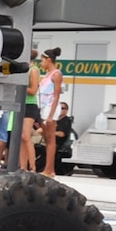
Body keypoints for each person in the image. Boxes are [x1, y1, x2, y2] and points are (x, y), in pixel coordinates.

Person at [34, 48, 64, 177]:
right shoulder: (48, 74)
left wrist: (51, 115)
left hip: (50, 108)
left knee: (51, 140)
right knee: (47, 139)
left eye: (42, 60)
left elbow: (56, 95)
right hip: (44, 107)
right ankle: (48, 168)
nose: (41, 63)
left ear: (48, 60)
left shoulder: (56, 74)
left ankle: (50, 169)